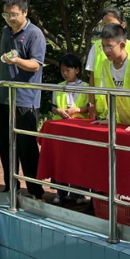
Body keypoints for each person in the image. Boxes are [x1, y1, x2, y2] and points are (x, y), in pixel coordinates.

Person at [0, 0, 45, 200]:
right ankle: (10, 188)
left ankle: (35, 191)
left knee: (27, 147)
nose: (10, 18)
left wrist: (16, 61)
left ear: (25, 12)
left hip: (25, 98)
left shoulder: (35, 34)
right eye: (6, 14)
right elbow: (0, 61)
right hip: (3, 97)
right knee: (5, 145)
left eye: (13, 14)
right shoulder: (5, 31)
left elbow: (35, 64)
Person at [85, 8, 130, 119]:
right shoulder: (97, 47)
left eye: (111, 24)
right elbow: (92, 79)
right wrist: (92, 108)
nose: (107, 28)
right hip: (107, 112)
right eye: (104, 25)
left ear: (122, 25)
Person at [50, 53, 91, 206]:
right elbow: (53, 107)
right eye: (62, 70)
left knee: (78, 162)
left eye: (68, 70)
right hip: (62, 128)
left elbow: (90, 107)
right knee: (61, 160)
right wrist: (59, 111)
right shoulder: (58, 86)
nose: (65, 73)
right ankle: (60, 192)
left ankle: (79, 193)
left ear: (77, 70)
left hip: (80, 128)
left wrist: (78, 109)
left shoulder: (86, 87)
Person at [92, 24, 130, 130]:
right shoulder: (105, 64)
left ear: (122, 45)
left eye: (109, 46)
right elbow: (108, 94)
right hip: (123, 122)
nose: (105, 50)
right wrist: (110, 118)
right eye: (103, 46)